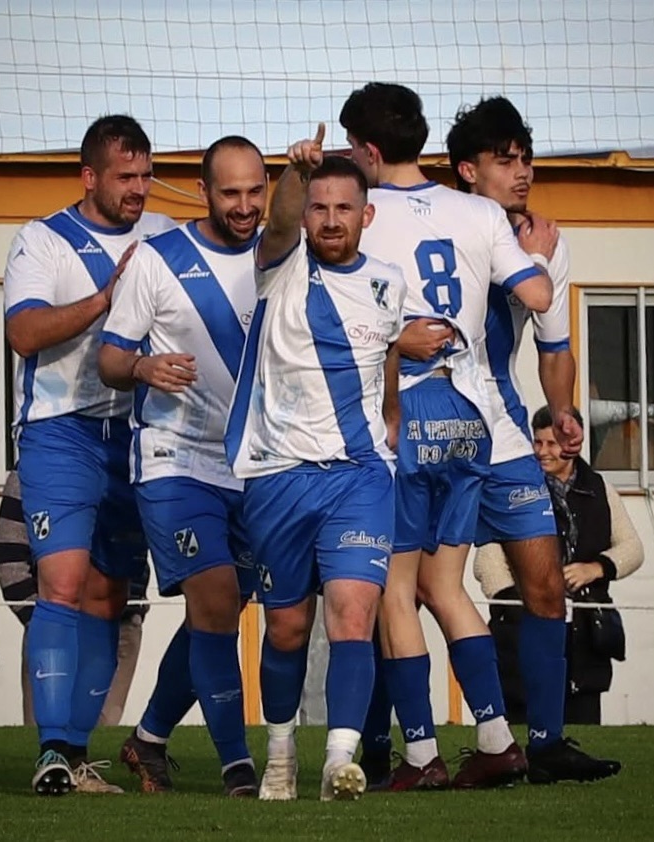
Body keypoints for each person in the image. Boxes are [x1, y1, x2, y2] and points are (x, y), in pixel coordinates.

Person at [339, 82, 555, 791]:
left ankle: (422, 756)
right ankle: (497, 740)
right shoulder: (479, 212)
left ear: (370, 150)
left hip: (406, 408)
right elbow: (536, 295)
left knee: (395, 591)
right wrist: (531, 257)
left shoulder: (363, 214)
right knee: (446, 584)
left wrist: (395, 337)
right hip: (470, 415)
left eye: (352, 146)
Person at [225, 130, 406, 802]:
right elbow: (275, 222)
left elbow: (386, 364)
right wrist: (293, 174)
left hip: (359, 477)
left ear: (366, 214)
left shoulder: (390, 283)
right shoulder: (279, 263)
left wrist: (389, 424)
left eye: (343, 208)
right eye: (319, 207)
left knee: (353, 614)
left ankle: (338, 762)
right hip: (278, 475)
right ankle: (280, 755)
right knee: (286, 626)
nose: (330, 219)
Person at [447, 95, 621, 782]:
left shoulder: (547, 239)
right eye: (504, 160)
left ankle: (545, 743)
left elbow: (553, 345)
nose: (521, 172)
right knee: (411, 589)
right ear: (467, 170)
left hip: (503, 432)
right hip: (431, 432)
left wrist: (563, 408)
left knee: (544, 585)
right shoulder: (442, 226)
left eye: (526, 159)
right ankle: (395, 748)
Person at [3, 115, 173, 796]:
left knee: (111, 596)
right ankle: (49, 750)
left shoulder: (164, 236)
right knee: (62, 585)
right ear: (89, 176)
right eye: (125, 176)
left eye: (146, 175)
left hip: (137, 434)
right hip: (61, 431)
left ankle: (74, 755)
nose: (139, 189)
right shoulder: (42, 239)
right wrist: (108, 298)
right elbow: (23, 332)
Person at [99, 135, 267, 798]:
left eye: (256, 191)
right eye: (231, 193)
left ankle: (148, 741)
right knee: (216, 599)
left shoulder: (279, 253)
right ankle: (238, 769)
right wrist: (143, 366)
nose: (245, 205)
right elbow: (111, 359)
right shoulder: (158, 259)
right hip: (174, 458)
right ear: (202, 192)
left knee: (213, 615)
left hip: (253, 463)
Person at [475, 406, 644, 725]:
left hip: (585, 636)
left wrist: (595, 568)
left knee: (583, 726)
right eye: (537, 443)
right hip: (522, 626)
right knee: (521, 718)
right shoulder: (513, 489)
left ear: (572, 444)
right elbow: (488, 559)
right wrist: (522, 602)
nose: (542, 452)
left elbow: (633, 548)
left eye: (551, 444)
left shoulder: (600, 489)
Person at [0, 470, 150, 726]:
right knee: (44, 734)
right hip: (53, 630)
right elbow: (6, 551)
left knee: (100, 736)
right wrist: (39, 621)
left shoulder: (131, 461)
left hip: (119, 627)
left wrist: (134, 609)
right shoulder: (34, 466)